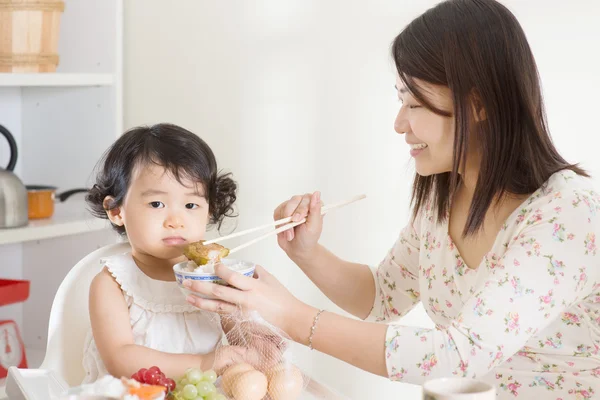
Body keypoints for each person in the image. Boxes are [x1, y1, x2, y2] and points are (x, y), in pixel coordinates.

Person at [184, 0, 600, 398]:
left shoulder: (568, 215)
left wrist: (290, 315)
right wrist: (307, 252)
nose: (399, 123)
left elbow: (457, 355)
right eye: (400, 99)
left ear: (478, 105)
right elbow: (382, 297)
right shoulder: (445, 200)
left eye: (414, 103)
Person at [82, 123, 247, 384]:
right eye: (157, 204)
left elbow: (244, 340)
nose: (176, 220)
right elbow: (120, 359)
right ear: (116, 210)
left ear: (210, 210)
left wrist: (251, 314)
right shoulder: (113, 283)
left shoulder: (213, 277)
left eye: (191, 204)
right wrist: (204, 363)